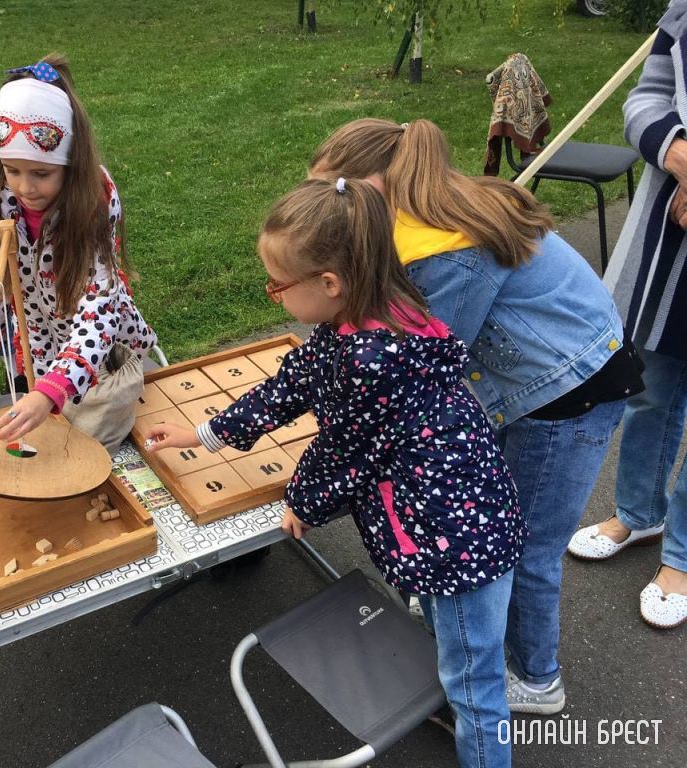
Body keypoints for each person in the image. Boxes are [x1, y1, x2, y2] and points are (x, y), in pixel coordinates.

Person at [146, 178, 525, 768]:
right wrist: (204, 433)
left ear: (329, 283)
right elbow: (290, 386)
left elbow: (344, 452)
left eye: (277, 285)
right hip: (448, 518)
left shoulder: (370, 362)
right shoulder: (367, 320)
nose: (272, 294)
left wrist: (302, 501)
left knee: (476, 687)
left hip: (456, 544)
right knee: (460, 653)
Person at [309, 118, 643, 714]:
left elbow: (421, 367)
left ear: (380, 186)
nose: (328, 216)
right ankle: (465, 616)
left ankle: (537, 679)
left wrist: (342, 433)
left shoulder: (444, 254)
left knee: (525, 547)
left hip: (570, 395)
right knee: (488, 527)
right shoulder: (426, 210)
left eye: (337, 197)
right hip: (538, 381)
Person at [568, 0, 687, 630]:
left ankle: (683, 556)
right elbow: (646, 99)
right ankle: (642, 514)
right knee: (653, 387)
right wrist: (679, 157)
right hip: (675, 241)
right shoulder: (683, 14)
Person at [0, 57, 157, 452]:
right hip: (38, 337)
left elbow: (99, 308)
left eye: (41, 174)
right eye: (12, 170)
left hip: (102, 345)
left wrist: (53, 388)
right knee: (51, 435)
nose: (25, 187)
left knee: (91, 439)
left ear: (70, 162)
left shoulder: (93, 204)